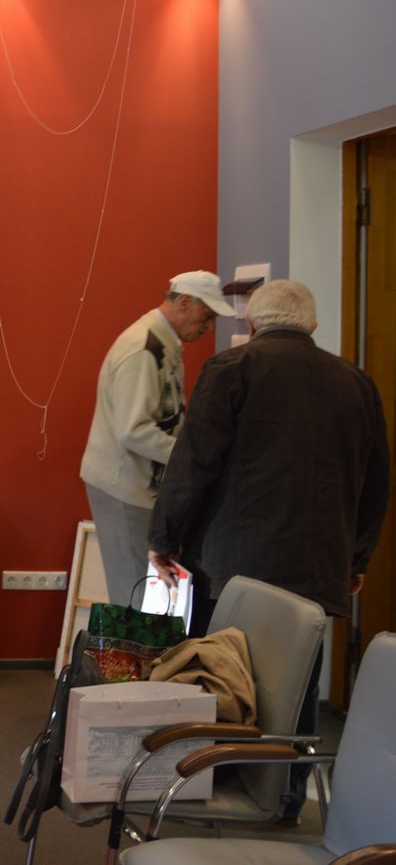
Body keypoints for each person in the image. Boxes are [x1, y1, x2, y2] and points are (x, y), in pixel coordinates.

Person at [148, 279, 389, 824]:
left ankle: (212, 781)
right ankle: (286, 798)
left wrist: (164, 538)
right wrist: (357, 558)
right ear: (313, 325)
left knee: (222, 673)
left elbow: (193, 464)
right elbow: (376, 482)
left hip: (234, 563)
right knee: (296, 683)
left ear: (252, 324)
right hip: (316, 565)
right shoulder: (356, 383)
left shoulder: (231, 370)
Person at [79, 270, 234, 606]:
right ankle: (135, 644)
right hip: (125, 488)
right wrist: (192, 456)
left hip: (136, 485)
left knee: (142, 590)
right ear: (184, 302)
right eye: (206, 316)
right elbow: (133, 431)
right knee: (135, 594)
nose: (208, 327)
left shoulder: (161, 341)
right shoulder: (144, 348)